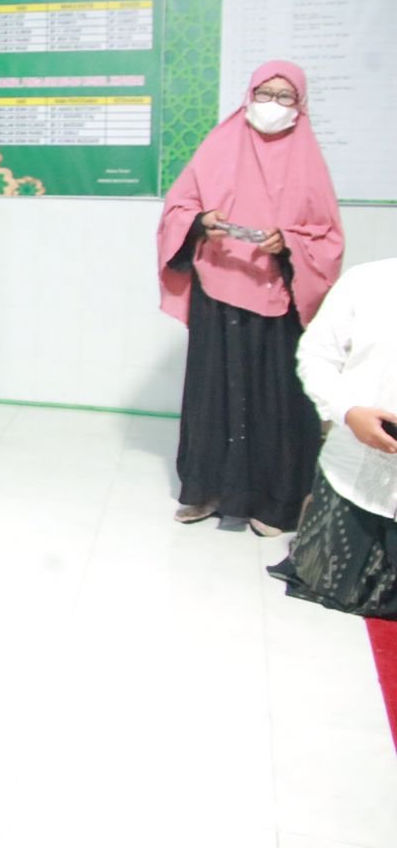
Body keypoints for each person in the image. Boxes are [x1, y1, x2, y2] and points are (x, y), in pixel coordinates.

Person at [158, 60, 344, 537]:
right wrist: (204, 221)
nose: (273, 105)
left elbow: (326, 237)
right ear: (249, 94)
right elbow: (179, 208)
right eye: (265, 93)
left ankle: (274, 501)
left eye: (286, 97)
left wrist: (289, 243)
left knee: (274, 400)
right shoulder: (219, 146)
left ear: (300, 105)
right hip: (217, 289)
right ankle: (205, 489)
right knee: (213, 393)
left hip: (277, 297)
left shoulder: (309, 161)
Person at [268, 258, 397, 616]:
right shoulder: (368, 281)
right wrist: (348, 413)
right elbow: (316, 355)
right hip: (354, 471)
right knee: (324, 577)